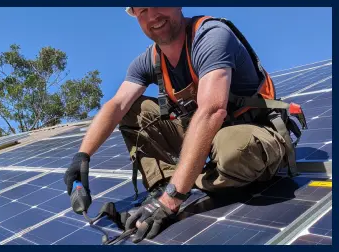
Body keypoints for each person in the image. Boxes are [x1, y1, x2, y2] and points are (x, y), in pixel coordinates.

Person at [64, 7, 304, 243]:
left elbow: (212, 111)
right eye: (143, 10)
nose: (153, 16)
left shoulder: (210, 36)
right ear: (136, 16)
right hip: (206, 139)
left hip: (251, 131)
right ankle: (165, 184)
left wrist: (171, 201)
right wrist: (82, 156)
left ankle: (180, 186)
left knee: (234, 151)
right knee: (133, 109)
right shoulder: (149, 60)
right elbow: (117, 106)